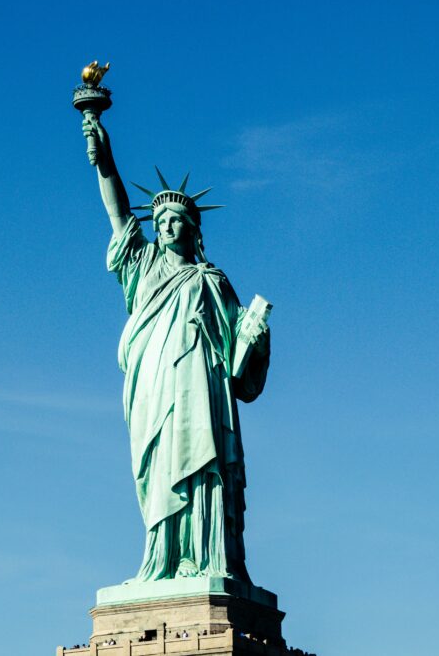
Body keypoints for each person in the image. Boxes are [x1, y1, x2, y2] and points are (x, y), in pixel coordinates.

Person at [82, 113, 270, 583]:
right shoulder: (142, 265)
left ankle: (204, 559)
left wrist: (253, 334)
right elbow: (118, 213)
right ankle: (161, 560)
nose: (166, 228)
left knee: (201, 463)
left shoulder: (211, 279)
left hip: (199, 391)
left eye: (176, 222)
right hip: (153, 387)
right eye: (161, 221)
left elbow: (235, 357)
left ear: (192, 230)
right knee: (158, 467)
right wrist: (104, 159)